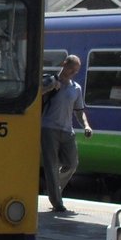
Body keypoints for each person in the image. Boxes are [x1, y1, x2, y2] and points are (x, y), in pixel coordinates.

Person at [40, 54, 92, 214]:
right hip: (48, 128)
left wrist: (86, 125)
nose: (72, 73)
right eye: (71, 69)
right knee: (51, 165)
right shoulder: (50, 81)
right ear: (64, 64)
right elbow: (34, 95)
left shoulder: (76, 88)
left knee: (72, 163)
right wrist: (49, 88)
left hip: (67, 130)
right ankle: (57, 202)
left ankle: (54, 188)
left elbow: (79, 110)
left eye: (75, 71)